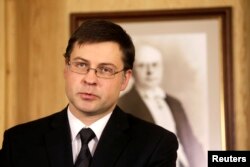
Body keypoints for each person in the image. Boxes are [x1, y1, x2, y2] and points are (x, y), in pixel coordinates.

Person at [0, 20, 178, 167]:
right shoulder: (19, 142)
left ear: (125, 79)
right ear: (66, 68)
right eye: (81, 65)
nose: (90, 79)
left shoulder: (156, 145)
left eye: (105, 69)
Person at [118, 44, 206, 167]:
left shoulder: (175, 104)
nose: (150, 71)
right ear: (131, 72)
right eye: (142, 66)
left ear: (161, 68)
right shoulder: (123, 105)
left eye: (155, 65)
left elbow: (192, 143)